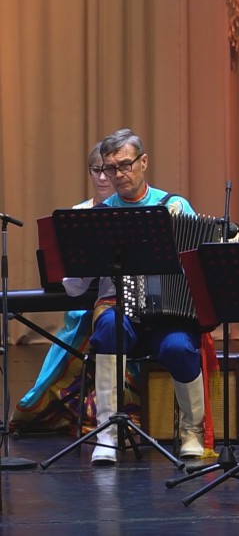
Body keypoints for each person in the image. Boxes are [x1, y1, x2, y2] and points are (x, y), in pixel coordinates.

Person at [63, 129, 209, 465]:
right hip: (118, 307)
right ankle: (107, 433)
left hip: (168, 309)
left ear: (143, 162)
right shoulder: (97, 215)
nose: (117, 175)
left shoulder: (174, 206)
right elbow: (74, 288)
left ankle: (191, 431)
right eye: (110, 168)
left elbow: (197, 264)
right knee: (108, 329)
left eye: (125, 165)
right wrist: (77, 255)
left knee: (178, 347)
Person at [12, 142, 114, 432]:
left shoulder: (131, 212)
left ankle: (112, 413)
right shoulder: (77, 213)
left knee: (112, 326)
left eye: (107, 170)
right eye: (96, 170)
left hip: (117, 304)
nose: (102, 177)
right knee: (82, 329)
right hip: (81, 306)